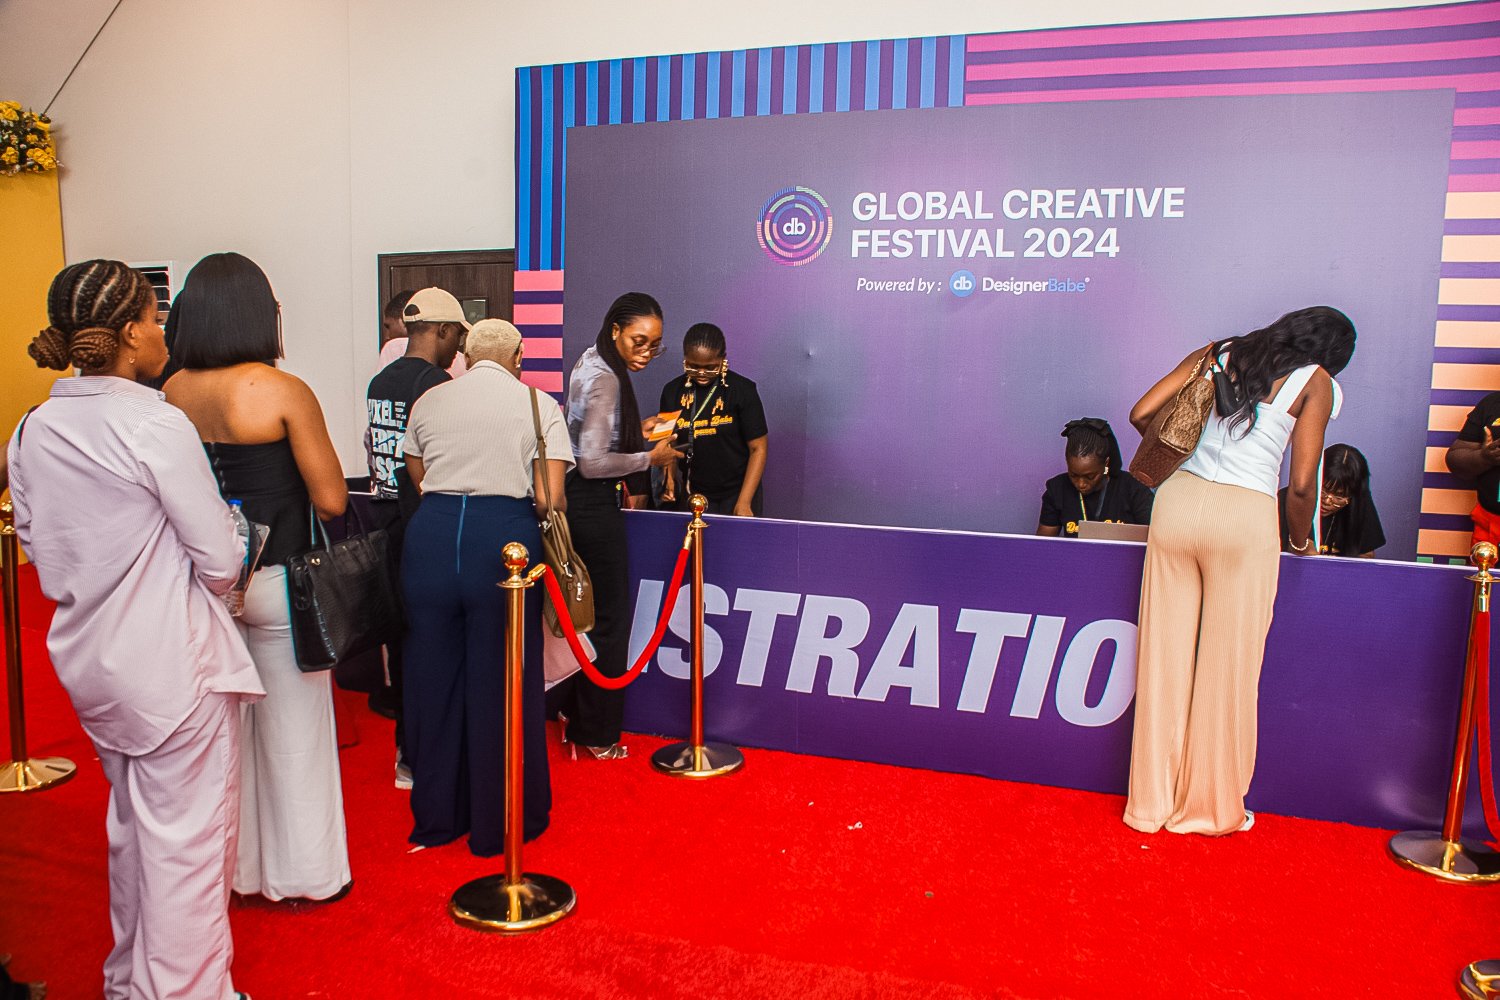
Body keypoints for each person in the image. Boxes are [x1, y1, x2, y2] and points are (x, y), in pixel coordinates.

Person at [8, 259, 262, 999]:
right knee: (188, 844)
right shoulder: (152, 421)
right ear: (126, 334)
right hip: (172, 664)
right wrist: (237, 542)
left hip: (91, 660)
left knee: (132, 833)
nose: (162, 332)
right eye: (154, 319)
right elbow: (218, 558)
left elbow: (33, 541)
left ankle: (129, 981)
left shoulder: (33, 429)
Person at [163, 252, 353, 902]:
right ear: (259, 314)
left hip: (203, 582)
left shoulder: (173, 391)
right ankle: (305, 877)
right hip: (278, 581)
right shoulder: (281, 391)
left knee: (226, 738)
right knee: (295, 729)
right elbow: (331, 499)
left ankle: (239, 873)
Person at [1124, 306, 1356, 836]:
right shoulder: (1315, 382)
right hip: (1245, 517)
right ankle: (1207, 810)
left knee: (1164, 658)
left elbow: (1142, 415)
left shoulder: (1218, 353)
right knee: (1228, 669)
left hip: (1176, 505)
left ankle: (1150, 806)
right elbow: (1301, 485)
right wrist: (1301, 542)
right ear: (1331, 353)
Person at [399, 319, 573, 852]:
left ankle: (438, 814)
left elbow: (419, 474)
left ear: (467, 357)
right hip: (503, 544)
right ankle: (501, 821)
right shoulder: (537, 405)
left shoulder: (430, 400)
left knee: (432, 678)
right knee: (504, 681)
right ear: (519, 356)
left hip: (429, 538)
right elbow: (549, 500)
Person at [558, 292, 681, 759]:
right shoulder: (606, 378)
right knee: (609, 622)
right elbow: (591, 462)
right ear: (615, 330)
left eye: (654, 345)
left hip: (577, 506)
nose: (646, 352)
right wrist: (653, 455)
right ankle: (597, 736)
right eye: (638, 340)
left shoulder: (591, 360)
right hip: (591, 506)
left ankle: (574, 714)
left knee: (582, 620)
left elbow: (591, 436)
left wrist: (638, 431)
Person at [366, 286, 470, 787]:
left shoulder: (379, 379)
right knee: (433, 645)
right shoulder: (436, 384)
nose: (458, 352)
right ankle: (432, 754)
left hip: (384, 526)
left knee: (403, 646)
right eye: (457, 338)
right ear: (444, 331)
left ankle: (408, 754)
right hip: (424, 530)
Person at [657, 322, 769, 515]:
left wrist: (744, 502)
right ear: (685, 359)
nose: (701, 373)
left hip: (738, 492)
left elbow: (758, 448)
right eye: (693, 366)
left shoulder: (742, 390)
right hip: (693, 491)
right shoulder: (671, 392)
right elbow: (666, 443)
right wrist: (668, 478)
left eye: (710, 367)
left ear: (723, 360)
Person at [1036, 417, 1154, 537]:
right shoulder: (1057, 489)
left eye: (1090, 476)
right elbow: (1042, 547)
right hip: (1075, 556)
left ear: (1106, 463)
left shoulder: (1134, 489)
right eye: (1074, 475)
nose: (1081, 483)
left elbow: (1153, 540)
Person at [1278, 443, 1384, 557]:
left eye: (1339, 497)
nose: (1327, 501)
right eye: (1323, 490)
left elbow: (1366, 556)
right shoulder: (1283, 501)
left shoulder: (1359, 506)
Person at [1445, 391, 1500, 547]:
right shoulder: (1492, 403)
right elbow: (1455, 458)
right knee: (1483, 572)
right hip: (1492, 530)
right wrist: (1485, 457)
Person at [378, 289, 467, 378]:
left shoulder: (379, 382)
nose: (458, 344)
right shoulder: (439, 382)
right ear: (444, 330)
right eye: (459, 334)